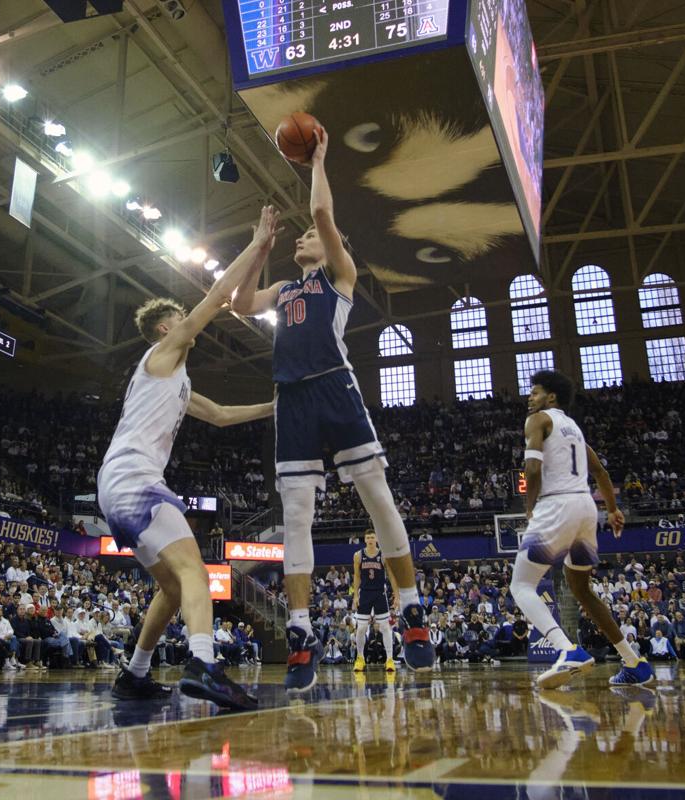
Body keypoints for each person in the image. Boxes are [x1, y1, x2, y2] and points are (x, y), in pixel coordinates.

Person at [230, 131, 434, 692]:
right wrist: (259, 250)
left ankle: (412, 609)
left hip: (334, 388)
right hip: (291, 397)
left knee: (376, 496)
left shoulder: (338, 276)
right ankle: (301, 632)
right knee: (295, 516)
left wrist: (317, 159)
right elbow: (239, 303)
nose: (303, 237)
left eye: (309, 237)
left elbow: (320, 210)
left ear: (331, 244)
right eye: (298, 237)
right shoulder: (284, 289)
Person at [99, 206, 279, 711]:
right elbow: (218, 297)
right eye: (179, 319)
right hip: (134, 479)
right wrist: (258, 243)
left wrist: (271, 406)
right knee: (197, 572)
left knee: (174, 588)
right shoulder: (162, 355)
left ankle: (134, 675)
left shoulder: (176, 381)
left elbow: (219, 415)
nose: (188, 324)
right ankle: (203, 665)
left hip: (119, 485)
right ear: (164, 330)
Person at [507, 370, 653, 689]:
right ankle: (634, 662)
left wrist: (530, 508)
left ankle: (567, 649)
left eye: (535, 392)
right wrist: (613, 509)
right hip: (587, 508)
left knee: (521, 586)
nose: (530, 397)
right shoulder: (573, 428)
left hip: (557, 504)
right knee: (582, 588)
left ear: (551, 397)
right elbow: (599, 471)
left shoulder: (538, 420)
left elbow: (532, 469)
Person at [352, 530, 398, 672]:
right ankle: (360, 658)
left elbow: (391, 575)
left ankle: (389, 659)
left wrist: (396, 594)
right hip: (364, 593)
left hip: (379, 593)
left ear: (376, 539)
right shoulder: (358, 555)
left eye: (372, 537)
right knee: (361, 629)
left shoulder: (383, 555)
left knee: (385, 627)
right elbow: (357, 576)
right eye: (368, 537)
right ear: (364, 539)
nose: (370, 539)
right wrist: (355, 595)